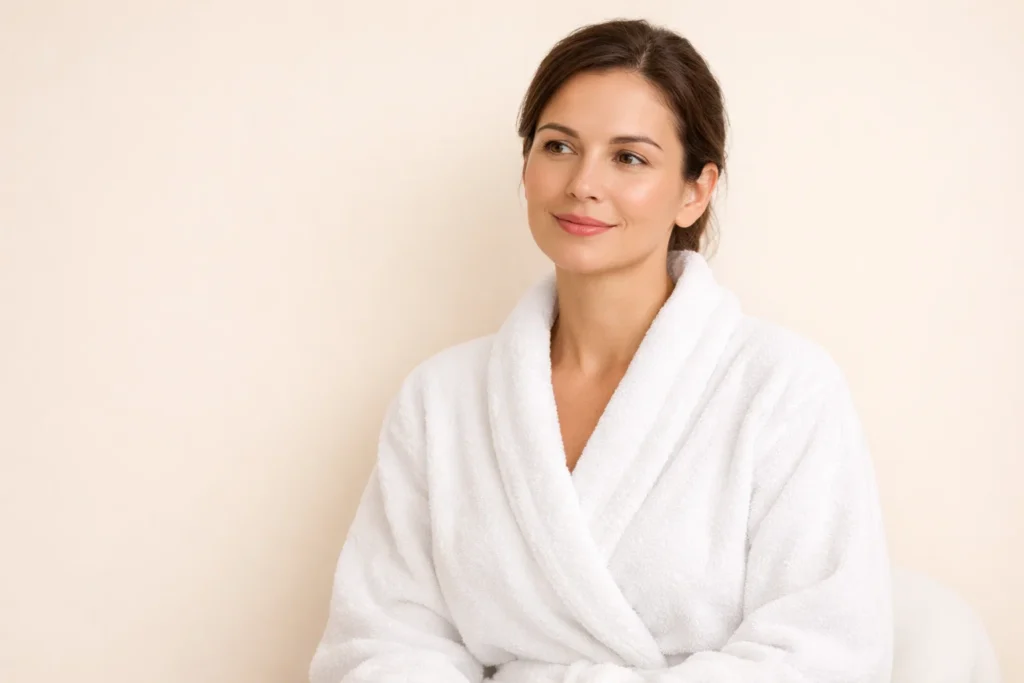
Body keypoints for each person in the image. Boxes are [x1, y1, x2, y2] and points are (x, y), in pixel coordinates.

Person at [310, 18, 893, 683]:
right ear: (526, 165)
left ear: (694, 190)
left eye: (629, 157)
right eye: (558, 146)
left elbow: (822, 653)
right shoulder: (441, 398)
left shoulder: (783, 387)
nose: (583, 182)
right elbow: (383, 638)